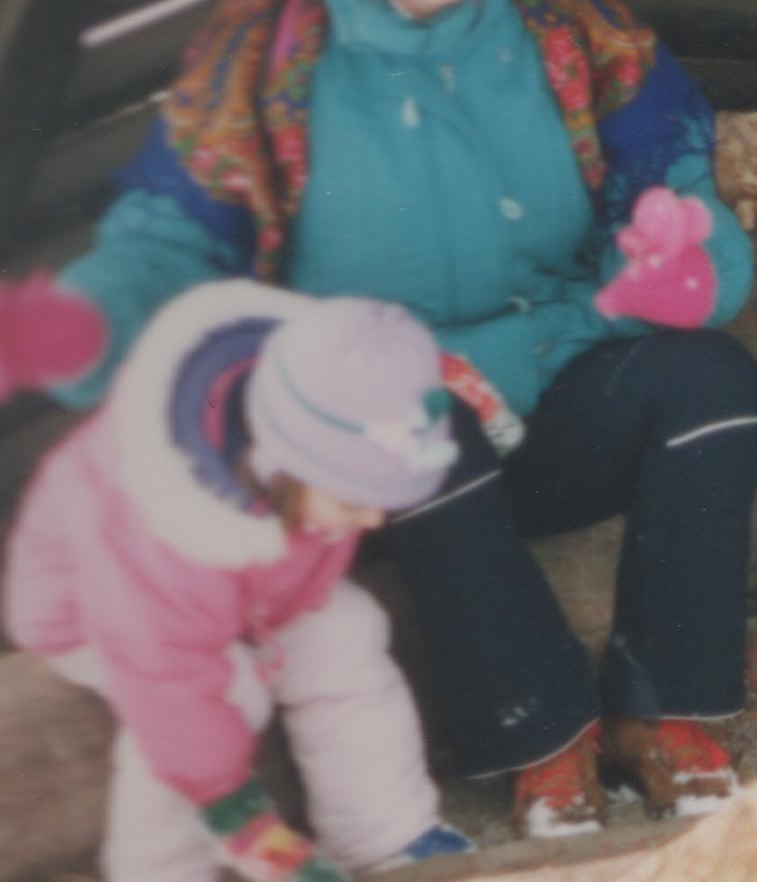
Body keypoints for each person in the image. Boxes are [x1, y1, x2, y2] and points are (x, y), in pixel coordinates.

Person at [0, 0, 757, 836]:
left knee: (712, 383)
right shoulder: (266, 58)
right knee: (412, 421)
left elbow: (679, 190)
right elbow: (168, 242)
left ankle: (663, 710)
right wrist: (83, 323)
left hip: (559, 389)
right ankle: (543, 737)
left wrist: (689, 263)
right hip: (369, 458)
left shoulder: (578, 33)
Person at [5, 285, 470, 882]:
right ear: (283, 465)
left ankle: (385, 835)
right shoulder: (164, 514)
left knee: (347, 631)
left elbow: (304, 549)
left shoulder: (312, 431)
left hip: (241, 597)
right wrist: (244, 823)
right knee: (229, 692)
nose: (374, 520)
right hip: (95, 613)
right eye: (355, 502)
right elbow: (168, 680)